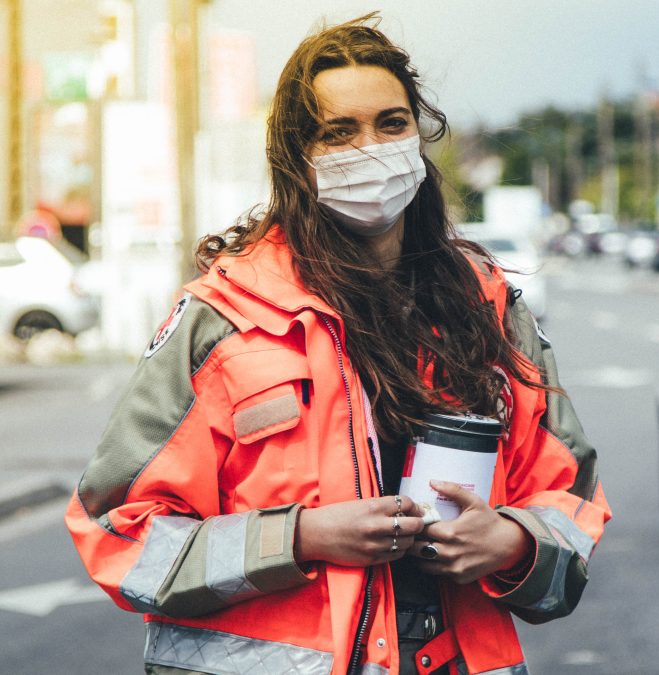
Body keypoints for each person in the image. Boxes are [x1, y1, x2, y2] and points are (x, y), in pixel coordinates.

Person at [66, 14, 610, 675]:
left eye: (390, 123)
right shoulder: (226, 318)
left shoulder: (486, 309)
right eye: (338, 132)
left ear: (418, 135)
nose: (371, 148)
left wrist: (511, 541)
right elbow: (118, 531)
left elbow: (571, 501)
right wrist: (299, 536)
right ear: (298, 155)